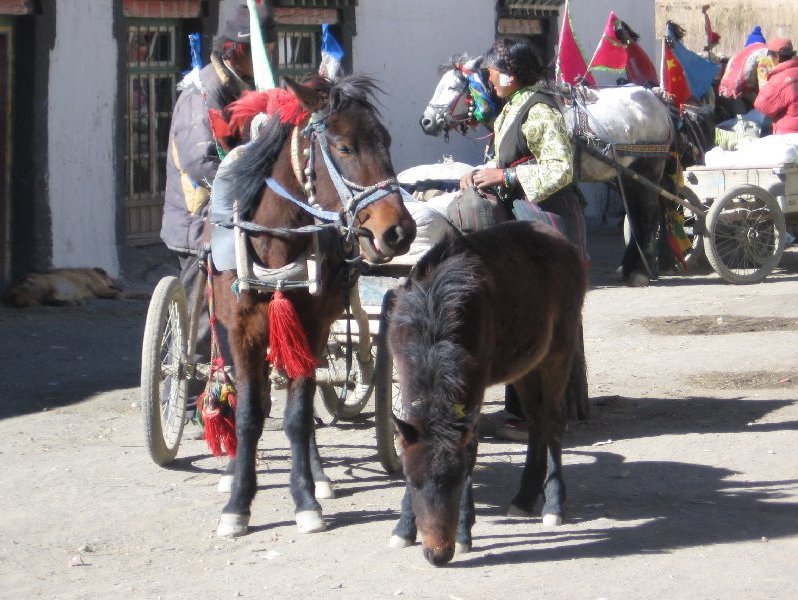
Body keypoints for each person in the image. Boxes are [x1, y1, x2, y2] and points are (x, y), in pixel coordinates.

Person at [459, 37, 588, 441]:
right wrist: (479, 173)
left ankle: (535, 415)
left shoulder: (541, 110)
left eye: (493, 70)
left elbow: (559, 168)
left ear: (511, 74)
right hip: (520, 220)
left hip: (544, 224)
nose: (489, 77)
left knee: (534, 313)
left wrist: (507, 177)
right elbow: (507, 157)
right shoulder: (515, 105)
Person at [160, 2, 276, 434]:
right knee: (199, 318)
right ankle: (194, 397)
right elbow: (201, 161)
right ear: (235, 51)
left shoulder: (245, 87)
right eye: (258, 51)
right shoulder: (202, 94)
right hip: (199, 219)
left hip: (238, 215)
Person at [754, 38, 798, 134]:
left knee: (765, 125)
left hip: (788, 136)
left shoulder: (779, 79)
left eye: (769, 55)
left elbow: (761, 105)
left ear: (777, 57)